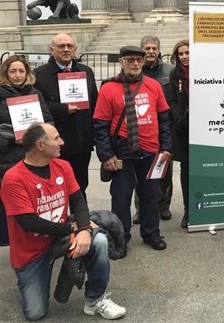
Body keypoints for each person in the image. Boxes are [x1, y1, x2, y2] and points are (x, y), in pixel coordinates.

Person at [0, 123, 126, 320]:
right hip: (32, 251)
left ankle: (95, 300)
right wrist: (73, 227)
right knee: (36, 313)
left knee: (99, 240)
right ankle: (28, 278)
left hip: (60, 236)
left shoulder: (63, 166)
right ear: (40, 145)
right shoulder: (13, 178)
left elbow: (77, 200)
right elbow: (28, 222)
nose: (62, 142)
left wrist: (83, 229)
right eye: (56, 138)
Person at [93, 46, 172, 251]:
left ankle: (151, 233)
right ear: (121, 62)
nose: (135, 64)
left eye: (139, 60)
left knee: (150, 196)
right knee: (121, 198)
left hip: (150, 151)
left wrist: (166, 147)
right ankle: (122, 238)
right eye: (130, 60)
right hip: (121, 153)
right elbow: (100, 125)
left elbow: (164, 120)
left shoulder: (154, 86)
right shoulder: (109, 88)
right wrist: (105, 155)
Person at [34, 33, 98, 199]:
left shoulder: (86, 71)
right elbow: (36, 105)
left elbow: (95, 103)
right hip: (55, 142)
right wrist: (62, 109)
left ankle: (80, 220)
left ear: (75, 49)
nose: (66, 49)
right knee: (55, 188)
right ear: (52, 49)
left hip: (82, 142)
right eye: (61, 46)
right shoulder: (39, 75)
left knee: (80, 185)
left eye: (69, 46)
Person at [0, 55, 53, 247]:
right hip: (8, 159)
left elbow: (48, 120)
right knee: (14, 207)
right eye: (12, 71)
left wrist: (43, 138)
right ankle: (14, 244)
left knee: (35, 203)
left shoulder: (35, 93)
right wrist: (10, 137)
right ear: (6, 72)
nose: (17, 75)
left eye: (21, 71)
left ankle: (37, 242)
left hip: (33, 157)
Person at [139, 36, 174, 222]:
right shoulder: (135, 70)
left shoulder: (169, 70)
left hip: (165, 127)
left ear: (159, 50)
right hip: (142, 128)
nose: (150, 51)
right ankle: (141, 208)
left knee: (165, 169)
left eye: (154, 48)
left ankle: (163, 206)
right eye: (147, 48)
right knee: (140, 170)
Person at [167, 40, 190, 229]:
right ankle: (188, 210)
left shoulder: (204, 72)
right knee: (186, 170)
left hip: (203, 128)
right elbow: (172, 100)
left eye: (187, 52)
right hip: (182, 129)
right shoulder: (175, 74)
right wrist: (179, 117)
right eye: (181, 53)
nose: (184, 56)